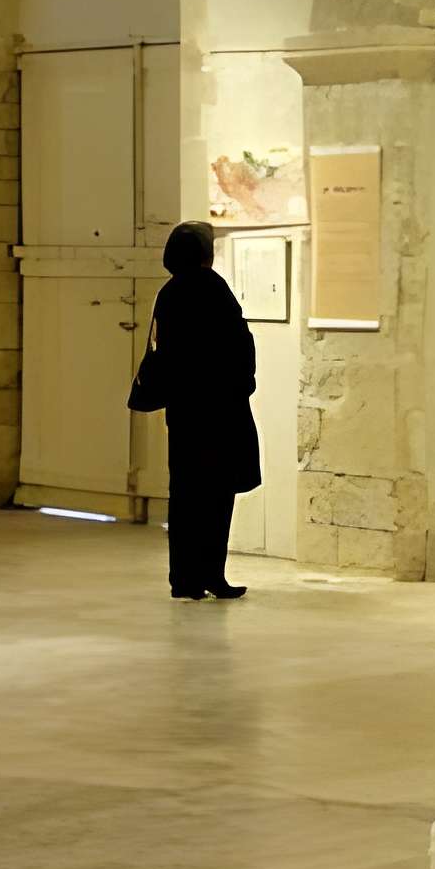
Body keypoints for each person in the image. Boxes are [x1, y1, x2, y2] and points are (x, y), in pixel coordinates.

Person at [146, 220, 261, 600]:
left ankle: (184, 578)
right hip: (219, 410)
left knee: (185, 495)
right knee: (215, 496)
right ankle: (212, 573)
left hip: (184, 410)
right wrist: (243, 384)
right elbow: (237, 344)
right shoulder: (211, 287)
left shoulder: (169, 292)